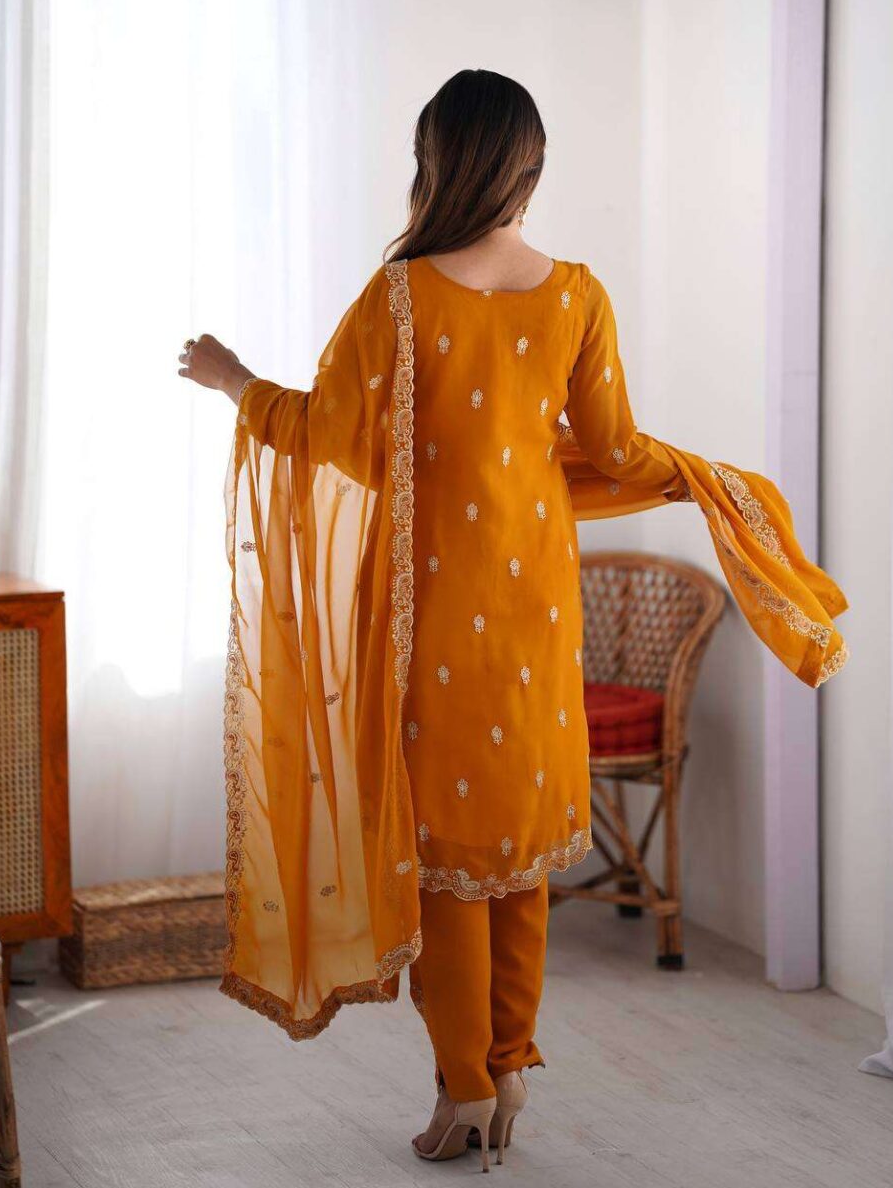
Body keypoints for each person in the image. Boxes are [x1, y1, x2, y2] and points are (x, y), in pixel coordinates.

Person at [178, 68, 848, 1172]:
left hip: (432, 615)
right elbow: (616, 450)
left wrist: (234, 380)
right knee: (519, 848)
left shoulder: (399, 296)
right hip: (538, 607)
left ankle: (466, 1091)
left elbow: (334, 436)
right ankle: (509, 1066)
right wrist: (703, 479)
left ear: (434, 162)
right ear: (529, 169)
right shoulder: (576, 293)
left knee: (446, 861)